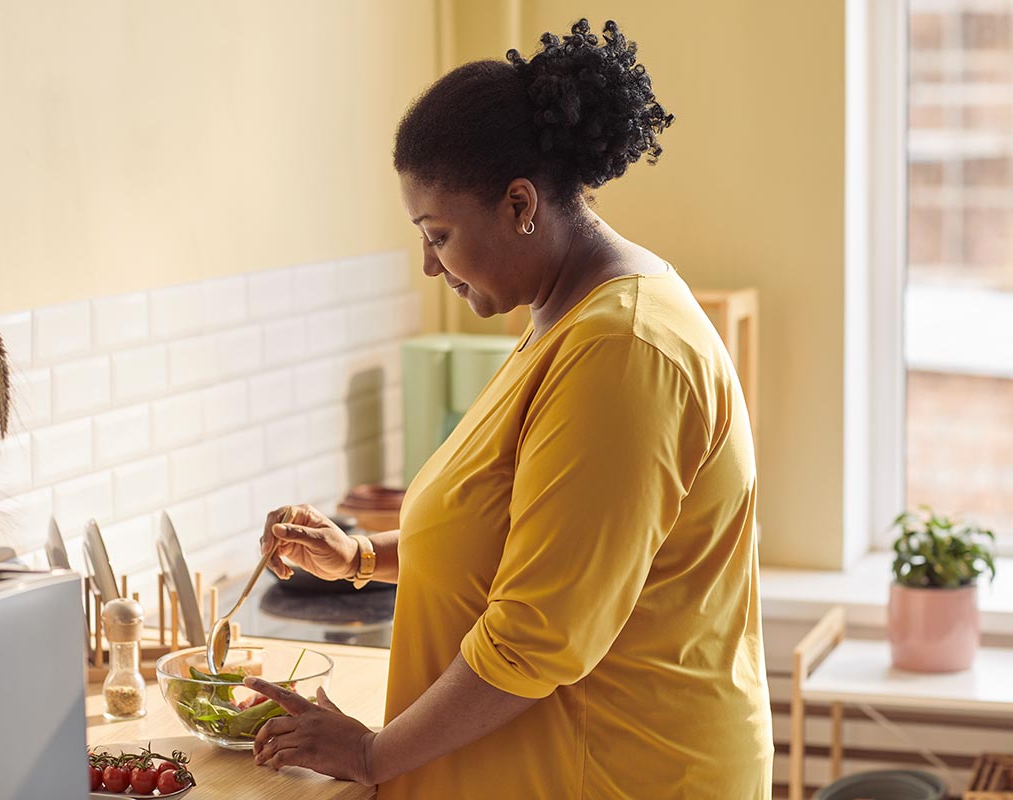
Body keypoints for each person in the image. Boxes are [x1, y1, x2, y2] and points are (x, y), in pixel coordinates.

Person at [243, 18, 774, 799]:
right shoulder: (563, 320)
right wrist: (361, 558)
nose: (430, 264)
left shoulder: (621, 351)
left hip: (624, 774)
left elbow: (538, 636)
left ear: (520, 204)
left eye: (440, 234)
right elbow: (516, 530)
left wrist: (368, 755)